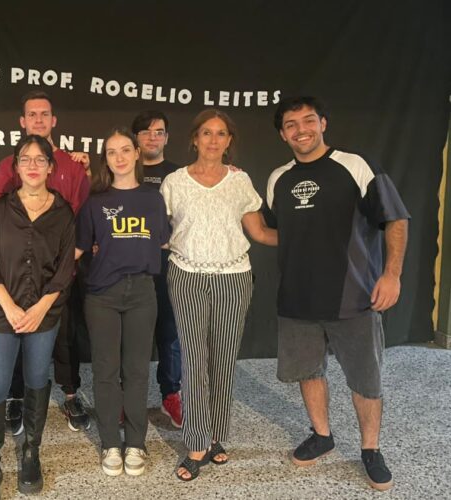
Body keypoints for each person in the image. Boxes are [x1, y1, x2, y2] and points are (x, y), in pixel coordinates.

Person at [265, 96, 409, 491]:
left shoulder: (355, 165)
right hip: (298, 299)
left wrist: (392, 275)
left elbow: (396, 219)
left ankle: (370, 449)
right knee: (309, 372)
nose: (301, 129)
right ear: (283, 135)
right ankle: (322, 435)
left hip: (355, 298)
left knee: (366, 380)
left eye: (308, 120)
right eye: (291, 124)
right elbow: (278, 231)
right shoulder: (279, 178)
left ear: (323, 123)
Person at [160, 109, 277, 481]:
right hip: (187, 276)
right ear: (194, 138)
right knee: (195, 359)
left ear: (229, 141)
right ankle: (196, 443)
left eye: (221, 133)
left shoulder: (240, 181)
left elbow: (259, 232)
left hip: (233, 277)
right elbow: (158, 230)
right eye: (206, 133)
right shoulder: (174, 182)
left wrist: (306, 237)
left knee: (224, 359)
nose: (213, 140)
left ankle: (215, 435)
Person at [0, 134, 75, 498]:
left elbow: (64, 271)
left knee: (36, 381)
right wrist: (11, 307)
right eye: (25, 159)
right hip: (2, 312)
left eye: (39, 159)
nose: (32, 165)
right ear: (16, 167)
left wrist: (39, 309)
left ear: (50, 167)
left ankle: (31, 451)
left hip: (43, 314)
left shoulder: (63, 213)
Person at [0, 90, 91, 434]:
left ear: (54, 120)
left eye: (44, 114)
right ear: (22, 121)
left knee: (65, 337)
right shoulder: (9, 165)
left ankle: (71, 393)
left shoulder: (72, 166)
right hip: (18, 274)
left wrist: (64, 266)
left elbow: (83, 220)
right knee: (18, 333)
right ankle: (16, 397)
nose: (38, 119)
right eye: (31, 114)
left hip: (63, 270)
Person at [76, 128, 171, 477]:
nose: (119, 157)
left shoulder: (153, 199)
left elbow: (163, 242)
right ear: (106, 159)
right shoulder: (95, 202)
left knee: (136, 371)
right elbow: (78, 249)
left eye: (125, 150)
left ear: (136, 154)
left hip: (143, 292)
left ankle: (135, 442)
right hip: (102, 295)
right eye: (112, 151)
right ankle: (110, 444)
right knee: (106, 371)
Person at [131, 110, 183, 428]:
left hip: (168, 265)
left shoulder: (180, 175)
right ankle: (127, 398)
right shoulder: (123, 169)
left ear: (167, 137)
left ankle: (171, 394)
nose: (153, 137)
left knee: (170, 332)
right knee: (129, 336)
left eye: (159, 132)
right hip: (129, 265)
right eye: (146, 132)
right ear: (135, 138)